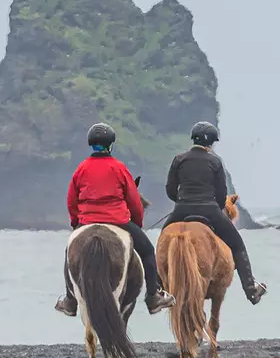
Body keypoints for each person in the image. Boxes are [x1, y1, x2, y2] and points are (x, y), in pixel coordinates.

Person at [56, 122, 174, 316]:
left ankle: (70, 300)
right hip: (117, 220)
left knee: (69, 251)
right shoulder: (119, 168)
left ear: (91, 144)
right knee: (147, 251)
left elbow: (71, 200)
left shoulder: (81, 169)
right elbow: (134, 201)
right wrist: (136, 223)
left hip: (87, 220)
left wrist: (76, 223)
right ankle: (153, 297)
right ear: (110, 145)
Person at [160, 121, 267, 303]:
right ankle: (251, 289)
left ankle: (158, 290)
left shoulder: (179, 159)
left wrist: (182, 201)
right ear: (210, 142)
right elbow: (220, 195)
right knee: (238, 245)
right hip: (210, 210)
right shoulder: (215, 161)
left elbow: (171, 189)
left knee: (162, 242)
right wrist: (214, 207)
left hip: (182, 209)